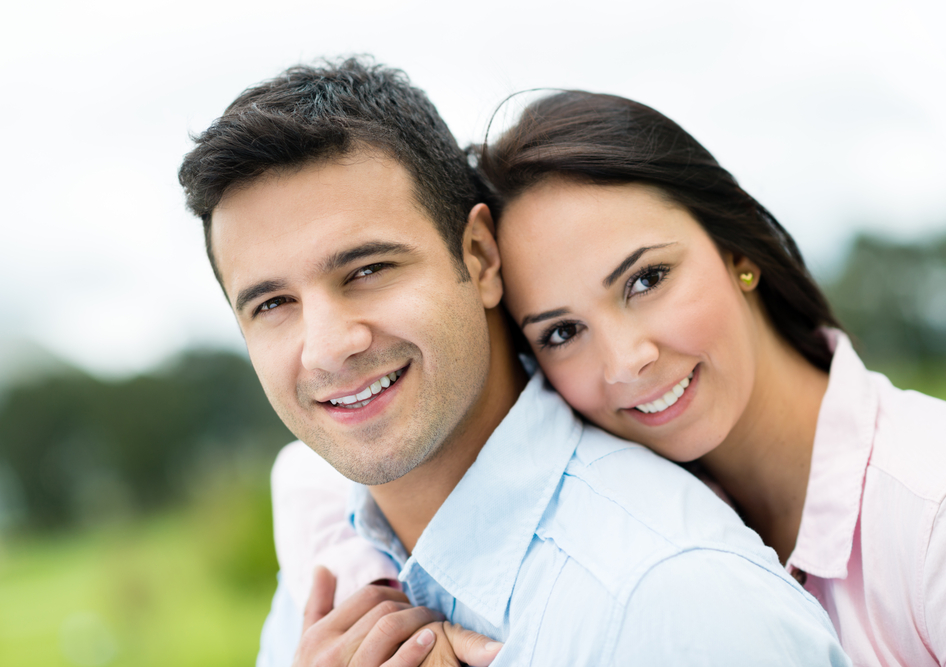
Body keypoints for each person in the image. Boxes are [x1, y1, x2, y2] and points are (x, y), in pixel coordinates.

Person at [178, 59, 850, 667]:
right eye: (271, 304)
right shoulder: (323, 576)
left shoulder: (675, 599)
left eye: (367, 269)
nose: (327, 346)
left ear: (479, 257)